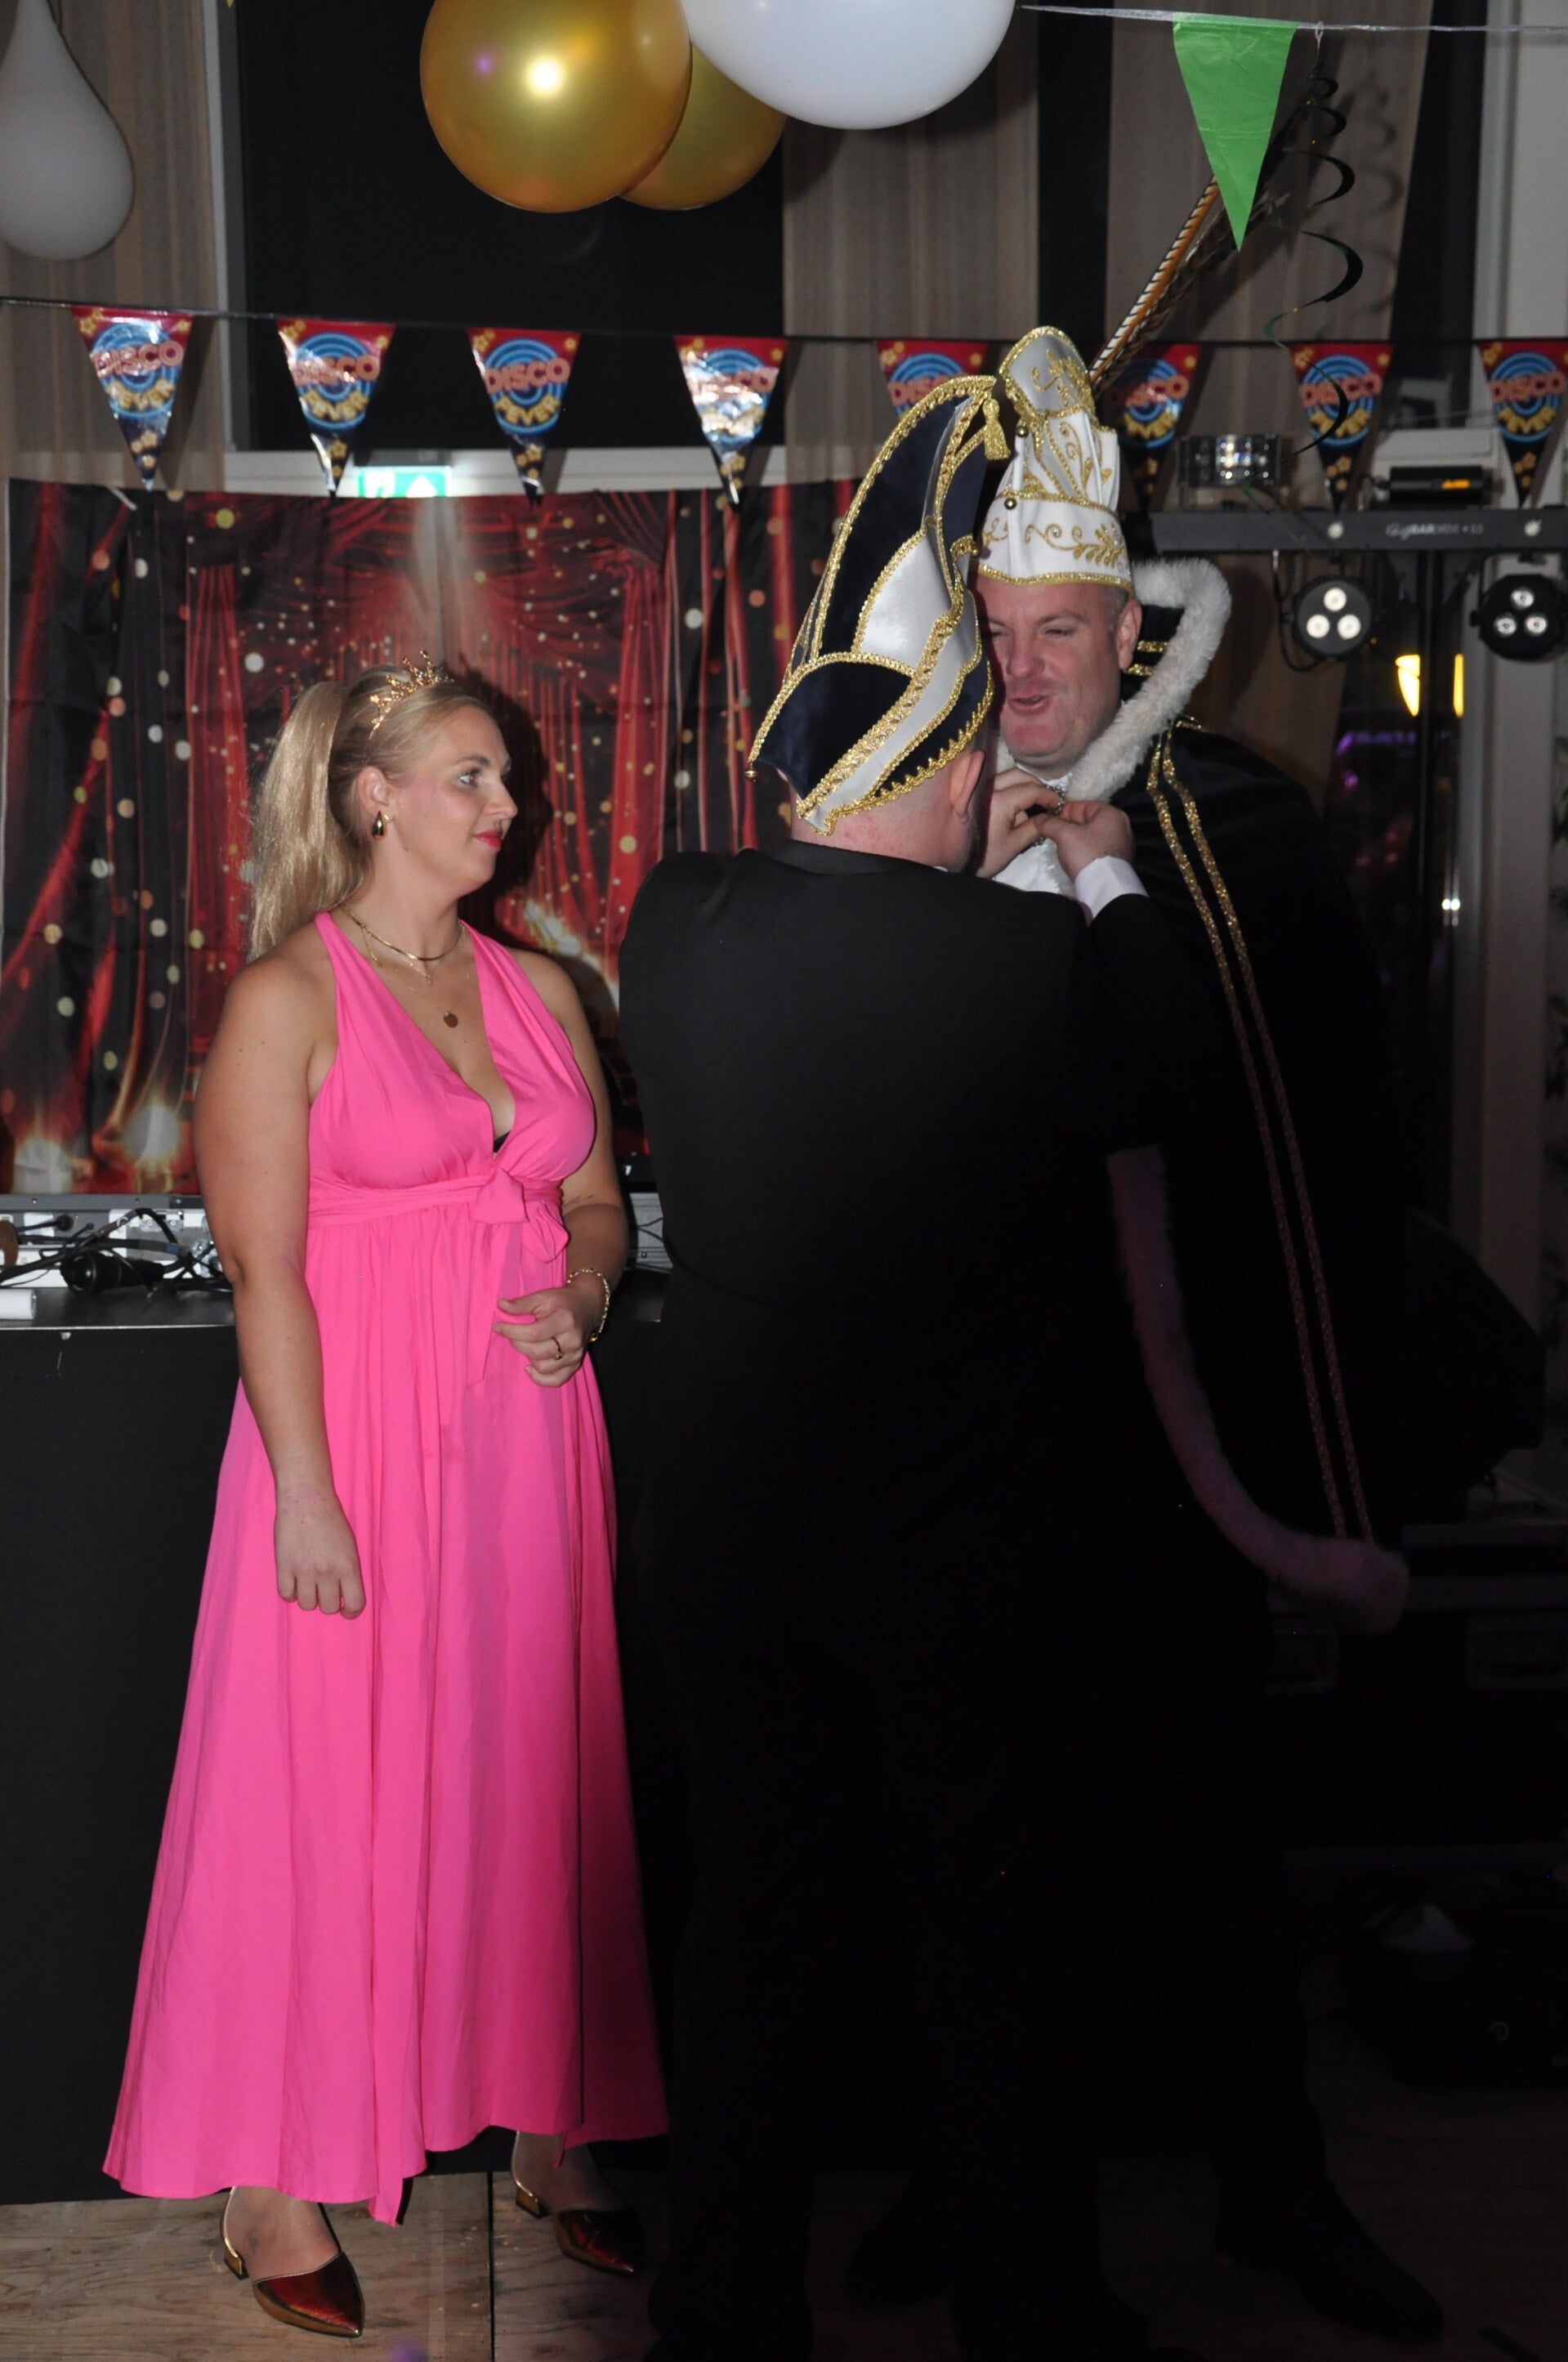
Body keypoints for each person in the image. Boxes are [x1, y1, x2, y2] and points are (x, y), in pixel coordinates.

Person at [620, 374, 1225, 2362]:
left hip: (726, 1541)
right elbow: (1172, 1064)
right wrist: (1101, 865)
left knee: (753, 1928)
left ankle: (723, 2309)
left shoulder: (675, 914)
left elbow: (843, 929)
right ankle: (1031, 2310)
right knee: (989, 1933)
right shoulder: (1026, 961)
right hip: (947, 1555)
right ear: (961, 765)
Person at [847, 326, 1440, 2341]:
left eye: (1063, 633)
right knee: (975, 1841)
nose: (1027, 671)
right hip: (978, 1421)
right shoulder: (912, 822)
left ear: (1132, 632)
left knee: (1204, 1825)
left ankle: (1277, 2186)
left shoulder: (1237, 824)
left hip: (1180, 1437)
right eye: (1000, 633)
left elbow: (1298, 1122)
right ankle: (978, 2183)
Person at [106, 660, 664, 2339]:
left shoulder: (541, 987)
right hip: (347, 1433)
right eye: (470, 775)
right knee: (312, 1779)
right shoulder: (289, 994)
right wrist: (304, 1490)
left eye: (506, 778)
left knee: (531, 1766)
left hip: (526, 1434)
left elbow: (595, 1204)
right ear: (372, 796)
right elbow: (263, 1269)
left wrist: (583, 1289)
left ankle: (554, 2116)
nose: (507, 806)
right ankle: (268, 2173)